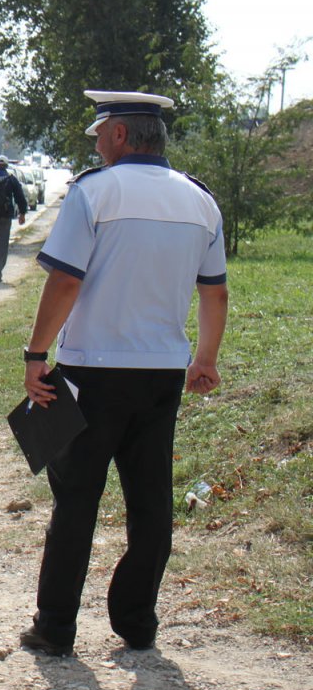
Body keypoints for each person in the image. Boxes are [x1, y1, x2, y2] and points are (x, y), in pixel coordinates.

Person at [19, 90, 228, 656]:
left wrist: (35, 354)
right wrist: (204, 358)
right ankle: (137, 622)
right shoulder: (200, 202)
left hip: (93, 373)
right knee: (151, 500)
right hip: (162, 375)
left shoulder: (94, 192)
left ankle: (56, 627)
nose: (96, 143)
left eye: (98, 133)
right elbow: (216, 292)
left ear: (118, 135)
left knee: (77, 502)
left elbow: (65, 282)